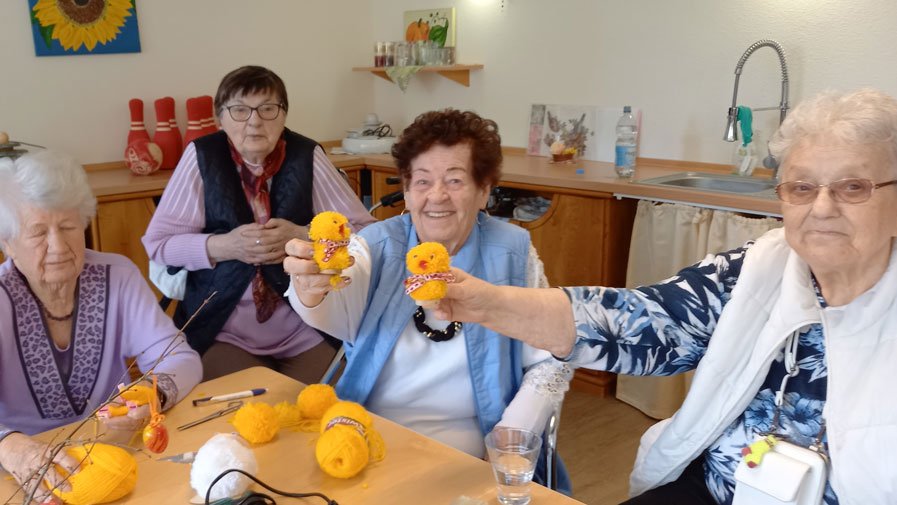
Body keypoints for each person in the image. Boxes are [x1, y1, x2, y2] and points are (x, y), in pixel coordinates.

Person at [434, 88, 897, 505]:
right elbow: (644, 322)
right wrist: (489, 303)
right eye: (801, 187)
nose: (820, 208)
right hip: (719, 487)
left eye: (852, 187)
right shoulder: (756, 270)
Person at [284, 109, 573, 491]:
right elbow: (333, 305)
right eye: (421, 182)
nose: (436, 196)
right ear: (405, 191)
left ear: (484, 190)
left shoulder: (511, 252)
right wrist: (309, 286)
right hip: (368, 435)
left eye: (455, 180)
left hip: (472, 445)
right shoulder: (376, 246)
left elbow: (549, 361)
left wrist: (509, 438)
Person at [143, 65, 375, 382]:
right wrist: (224, 246)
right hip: (222, 328)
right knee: (251, 411)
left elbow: (368, 235)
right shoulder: (201, 157)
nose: (254, 121)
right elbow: (158, 244)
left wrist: (304, 236)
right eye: (239, 110)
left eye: (267, 109)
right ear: (220, 118)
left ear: (283, 116)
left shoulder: (307, 155)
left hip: (308, 323)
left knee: (327, 403)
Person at [0, 151, 202, 503]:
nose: (58, 246)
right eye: (37, 232)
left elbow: (182, 359)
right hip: (21, 475)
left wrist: (152, 395)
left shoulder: (117, 276)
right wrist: (10, 447)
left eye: (68, 227)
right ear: (7, 244)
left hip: (113, 460)